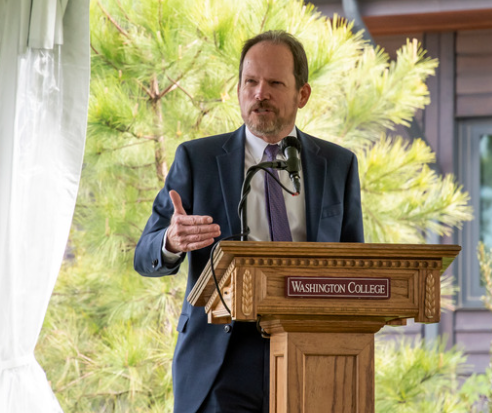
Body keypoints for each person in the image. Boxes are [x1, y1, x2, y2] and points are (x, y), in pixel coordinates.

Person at [134, 30, 364, 413]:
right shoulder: (198, 159)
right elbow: (145, 255)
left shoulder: (338, 165)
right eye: (251, 82)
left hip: (311, 354)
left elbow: (358, 265)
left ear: (302, 95)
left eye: (275, 83)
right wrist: (171, 242)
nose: (261, 93)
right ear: (238, 89)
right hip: (221, 359)